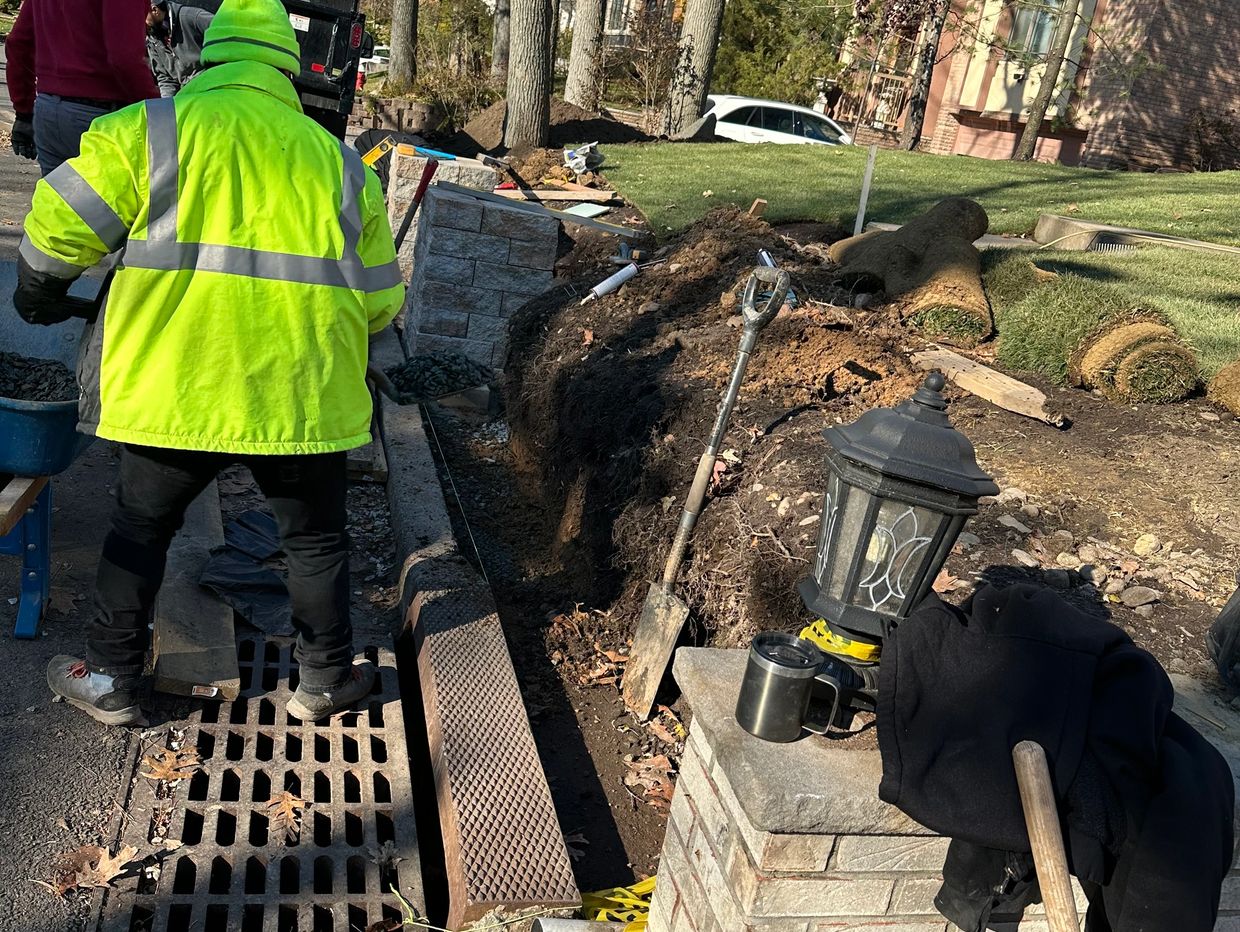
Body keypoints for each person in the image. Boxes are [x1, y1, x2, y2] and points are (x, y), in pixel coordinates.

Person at [14, 0, 405, 727]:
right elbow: (382, 302)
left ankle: (111, 680)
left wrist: (36, 289)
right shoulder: (341, 165)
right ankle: (323, 682)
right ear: (288, 71)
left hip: (174, 389)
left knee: (139, 529)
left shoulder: (150, 130)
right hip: (300, 396)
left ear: (205, 58)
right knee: (314, 541)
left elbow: (58, 228)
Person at [5, 0, 159, 174]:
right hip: (99, 114)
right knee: (111, 198)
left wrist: (24, 111)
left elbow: (19, 43)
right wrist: (155, 110)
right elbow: (124, 59)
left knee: (57, 199)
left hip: (48, 109)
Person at [147, 1, 215, 97]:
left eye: (141, 17)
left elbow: (225, 32)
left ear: (155, 10)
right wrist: (167, 108)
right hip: (188, 95)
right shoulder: (152, 38)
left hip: (215, 86)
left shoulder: (192, 17)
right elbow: (166, 79)